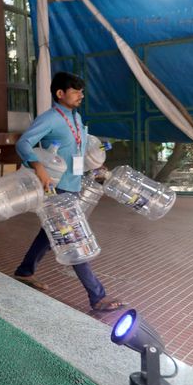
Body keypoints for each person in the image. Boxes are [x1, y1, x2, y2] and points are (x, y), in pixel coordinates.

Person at [13, 71, 125, 312]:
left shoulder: (75, 118)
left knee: (49, 233)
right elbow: (23, 143)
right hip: (56, 188)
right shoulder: (51, 118)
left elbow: (77, 149)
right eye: (75, 91)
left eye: (81, 92)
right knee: (72, 238)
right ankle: (97, 296)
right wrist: (39, 168)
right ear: (60, 93)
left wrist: (96, 165)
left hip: (72, 186)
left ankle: (24, 271)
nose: (80, 95)